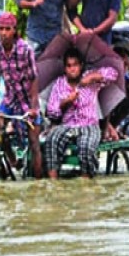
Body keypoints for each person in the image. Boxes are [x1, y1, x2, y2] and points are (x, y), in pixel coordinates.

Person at [44, 47, 117, 179]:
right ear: (65, 68)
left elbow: (113, 74)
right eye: (69, 66)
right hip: (67, 125)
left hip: (89, 124)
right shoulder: (59, 84)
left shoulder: (89, 78)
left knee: (86, 148)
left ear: (81, 65)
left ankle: (85, 183)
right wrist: (66, 101)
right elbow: (52, 112)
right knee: (51, 141)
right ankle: (52, 183)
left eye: (75, 65)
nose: (72, 69)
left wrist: (93, 77)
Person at [0, 12, 43, 176]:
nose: (3, 33)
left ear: (14, 30)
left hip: (27, 98)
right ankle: (12, 161)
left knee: (34, 142)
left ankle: (39, 184)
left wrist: (33, 108)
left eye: (7, 29)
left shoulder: (25, 50)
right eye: (0, 29)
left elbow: (34, 79)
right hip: (10, 97)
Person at [108, 46, 129, 139]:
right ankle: (109, 129)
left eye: (125, 64)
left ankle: (113, 128)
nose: (124, 67)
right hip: (99, 118)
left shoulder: (124, 79)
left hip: (111, 118)